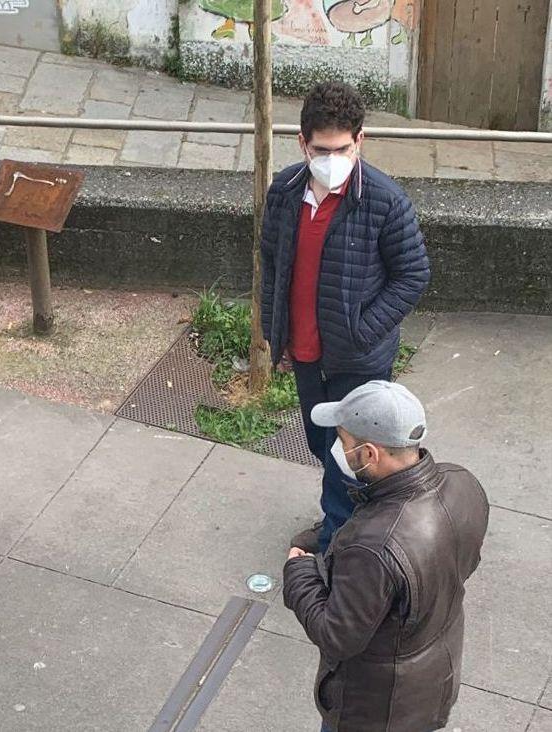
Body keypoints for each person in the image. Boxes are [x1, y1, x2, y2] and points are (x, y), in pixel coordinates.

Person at [260, 80, 430, 554]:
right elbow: (272, 263)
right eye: (321, 149)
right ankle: (363, 523)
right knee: (322, 444)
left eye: (342, 148)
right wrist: (279, 336)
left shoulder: (385, 201)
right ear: (302, 143)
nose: (331, 159)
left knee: (351, 458)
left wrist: (361, 332)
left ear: (360, 141)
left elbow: (413, 276)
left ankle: (338, 541)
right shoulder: (284, 192)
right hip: (307, 355)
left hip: (358, 361)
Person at [283, 381, 489, 732]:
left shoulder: (373, 546)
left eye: (344, 442)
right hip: (432, 679)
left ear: (369, 454)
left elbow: (336, 635)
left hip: (376, 709)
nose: (339, 449)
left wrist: (299, 571)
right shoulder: (462, 483)